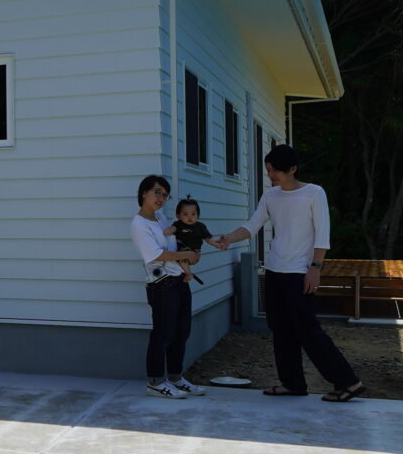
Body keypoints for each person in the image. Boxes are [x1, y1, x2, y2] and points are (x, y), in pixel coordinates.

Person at [210, 143, 364, 401]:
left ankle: (349, 382)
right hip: (274, 270)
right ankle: (293, 383)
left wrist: (315, 269)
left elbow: (322, 236)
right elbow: (251, 226)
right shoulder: (271, 196)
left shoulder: (314, 193)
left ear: (293, 168)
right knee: (280, 328)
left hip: (299, 272)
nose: (272, 175)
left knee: (307, 330)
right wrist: (228, 238)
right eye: (269, 170)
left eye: (277, 170)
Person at [130, 174, 203, 398]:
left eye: (165, 194)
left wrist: (193, 252)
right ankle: (155, 382)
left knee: (181, 332)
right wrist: (185, 255)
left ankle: (176, 377)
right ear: (144, 193)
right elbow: (156, 254)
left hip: (179, 280)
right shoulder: (138, 224)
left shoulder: (161, 218)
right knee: (163, 334)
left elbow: (179, 235)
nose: (161, 197)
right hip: (161, 285)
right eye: (157, 192)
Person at [167, 198, 213, 286]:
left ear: (198, 215)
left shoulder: (200, 226)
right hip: (182, 252)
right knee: (182, 258)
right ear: (178, 215)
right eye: (185, 214)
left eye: (193, 214)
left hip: (195, 252)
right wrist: (169, 230)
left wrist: (215, 244)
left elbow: (208, 238)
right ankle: (188, 273)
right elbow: (173, 228)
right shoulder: (178, 224)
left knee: (182, 257)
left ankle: (188, 273)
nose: (190, 217)